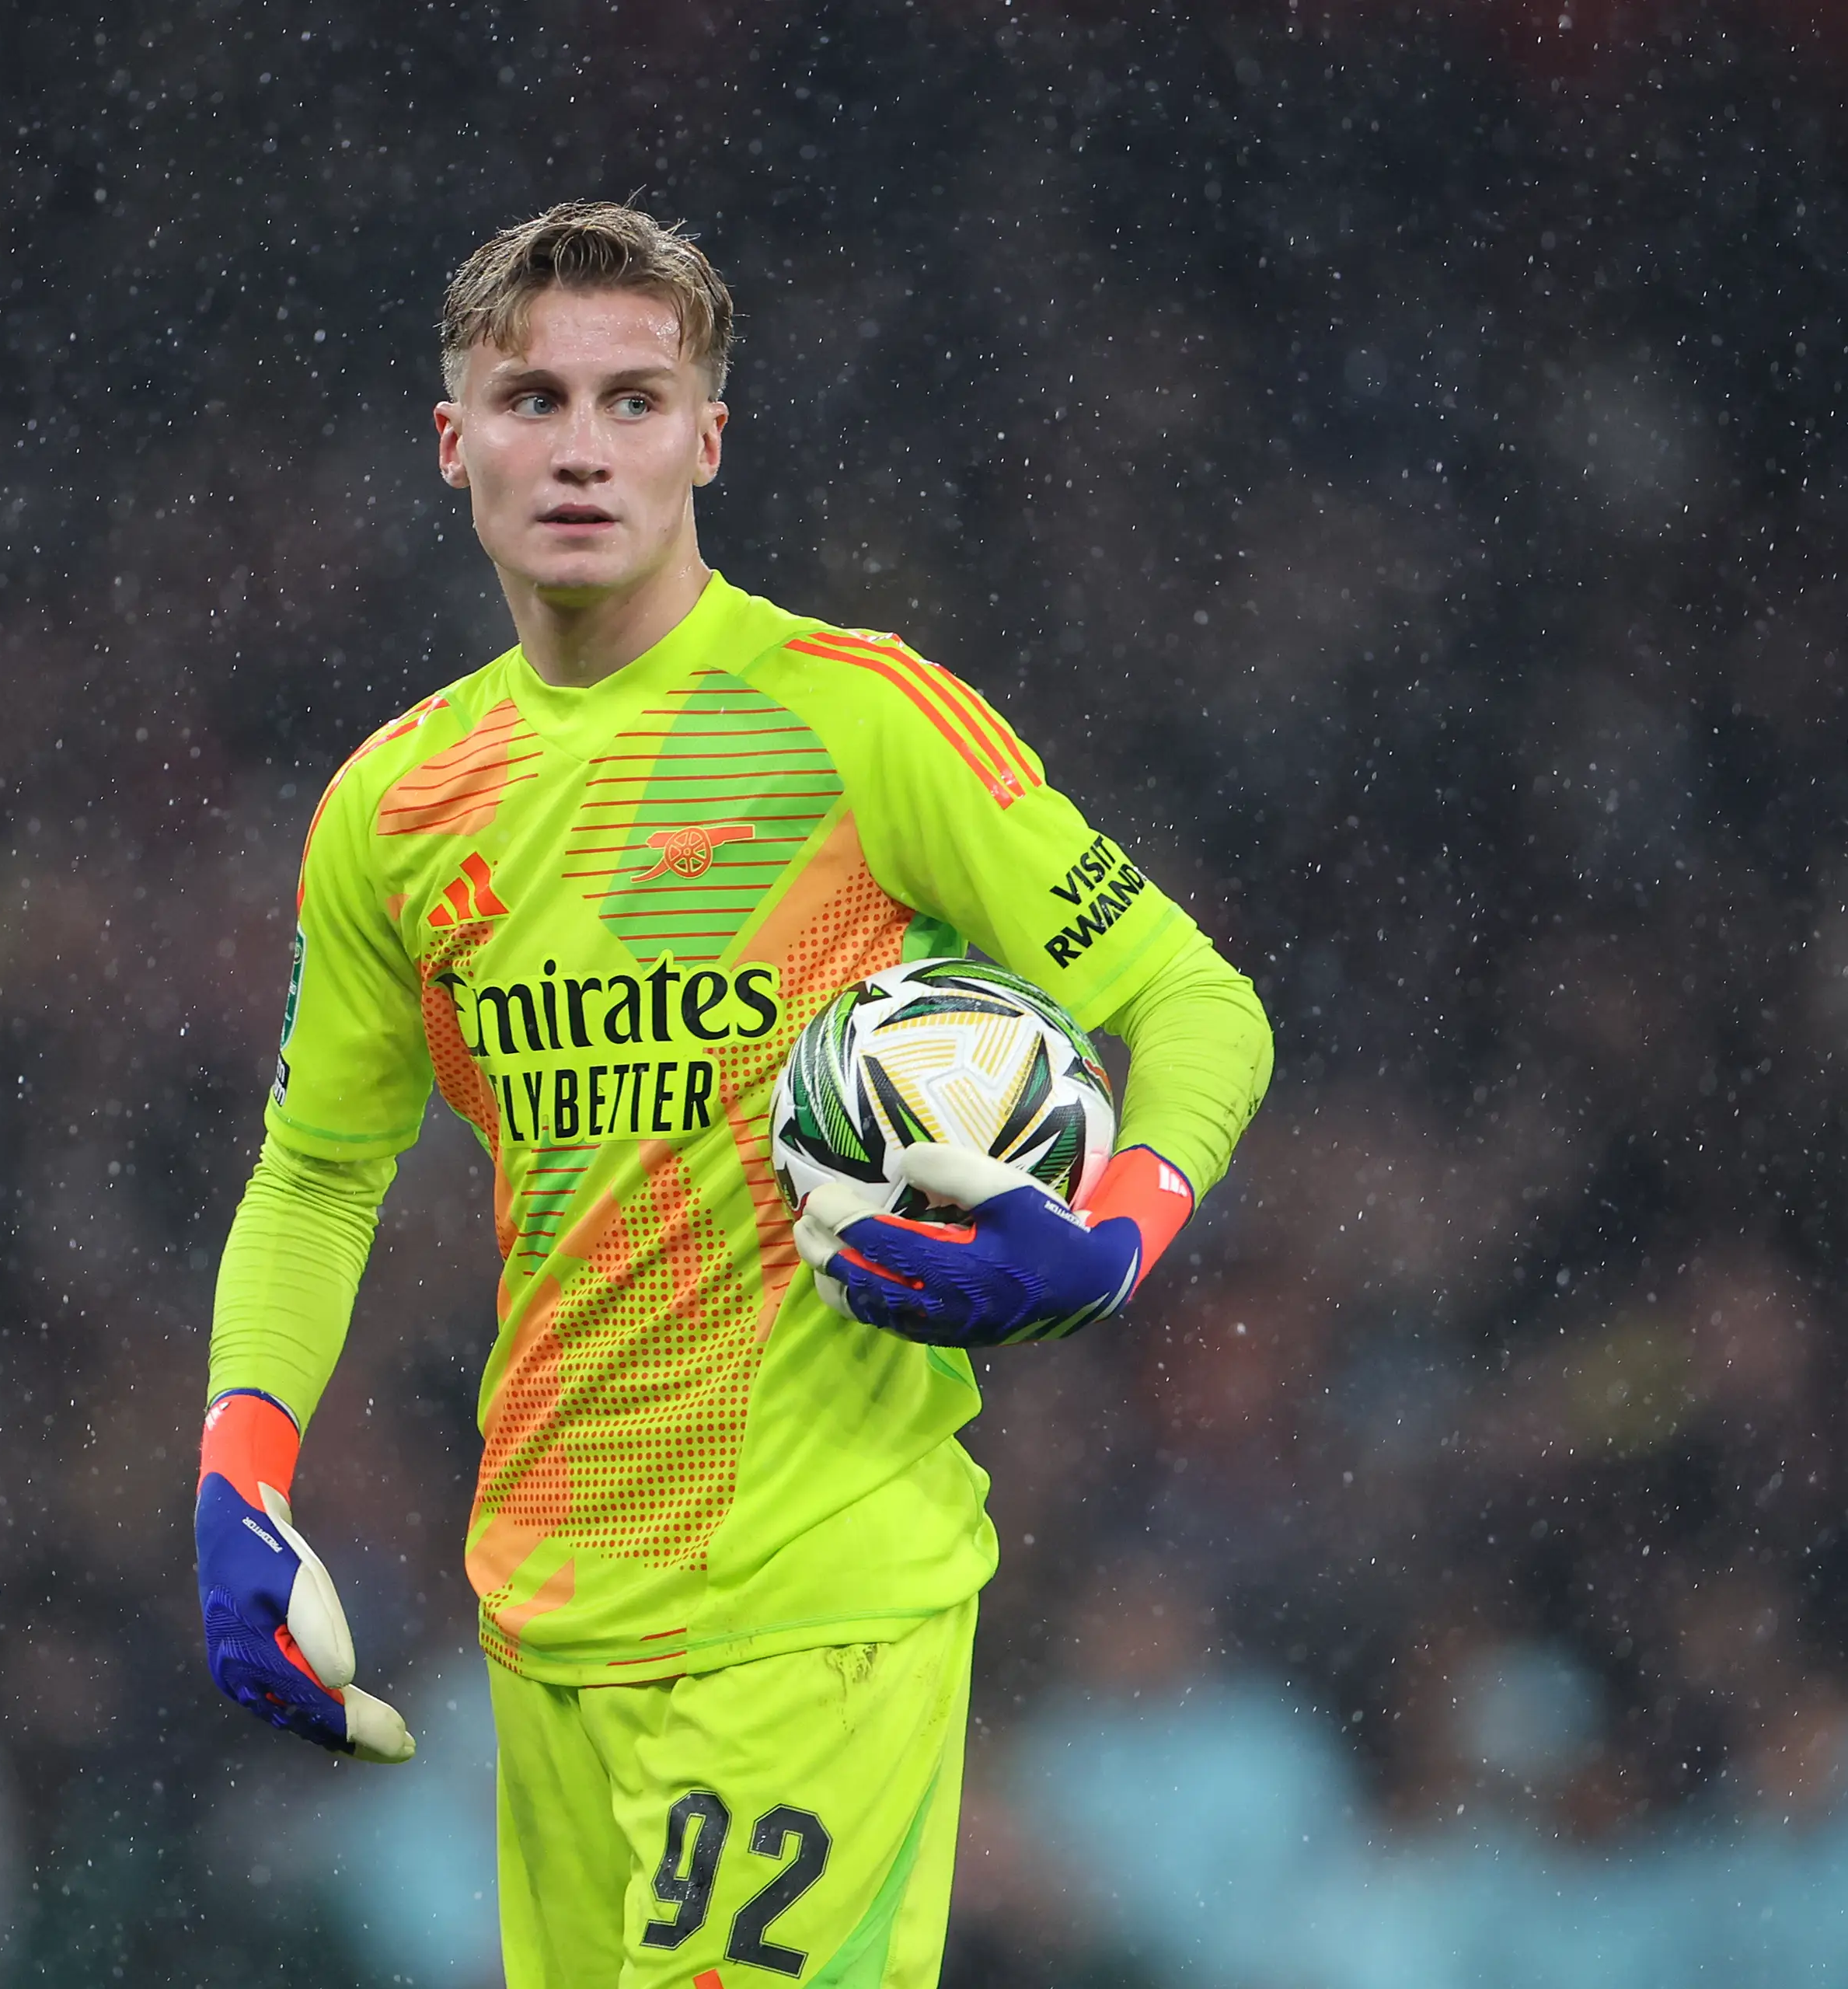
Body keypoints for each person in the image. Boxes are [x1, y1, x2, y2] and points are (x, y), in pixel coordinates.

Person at [193, 201, 1272, 1987]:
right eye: (534, 399)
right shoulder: (395, 808)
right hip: (543, 1619)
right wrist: (241, 1474)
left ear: (710, 435)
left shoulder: (859, 721)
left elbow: (1190, 995)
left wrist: (1114, 1237)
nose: (584, 447)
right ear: (455, 441)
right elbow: (316, 1174)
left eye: (636, 399)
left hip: (817, 1597)